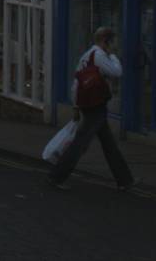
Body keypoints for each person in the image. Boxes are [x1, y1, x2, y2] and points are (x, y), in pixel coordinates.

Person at [47, 26, 134, 191]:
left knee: (109, 145)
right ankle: (56, 176)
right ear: (105, 41)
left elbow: (76, 83)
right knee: (79, 144)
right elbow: (117, 72)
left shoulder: (86, 56)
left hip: (90, 105)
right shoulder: (100, 56)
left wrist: (76, 106)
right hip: (95, 106)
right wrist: (114, 56)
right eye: (112, 42)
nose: (114, 46)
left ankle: (125, 180)